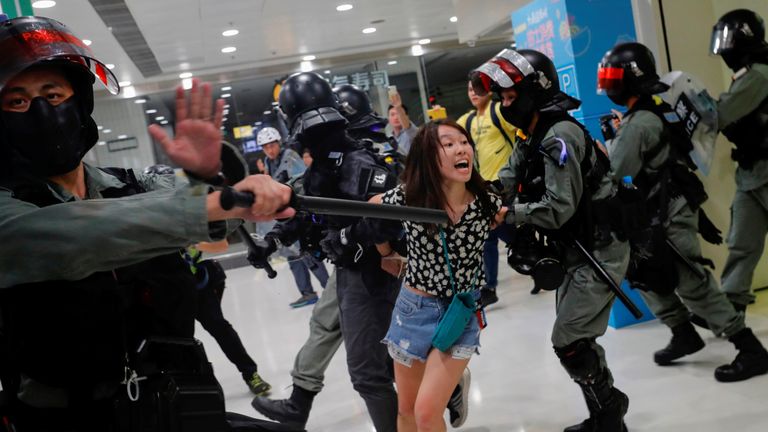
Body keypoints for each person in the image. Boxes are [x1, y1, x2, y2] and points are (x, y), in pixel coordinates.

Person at [0, 16, 292, 431]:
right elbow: (71, 237)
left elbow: (215, 223)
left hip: (170, 402)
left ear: (80, 103)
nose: (43, 112)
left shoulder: (132, 185)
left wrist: (215, 181)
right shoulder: (10, 212)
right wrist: (206, 204)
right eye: (18, 101)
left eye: (54, 94)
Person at [472, 48, 631, 431]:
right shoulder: (534, 134)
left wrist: (509, 215)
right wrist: (476, 195)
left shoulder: (559, 135)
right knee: (577, 337)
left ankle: (610, 407)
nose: (505, 105)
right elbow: (506, 179)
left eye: (510, 97)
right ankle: (605, 416)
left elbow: (559, 207)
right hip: (577, 248)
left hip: (600, 249)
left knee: (569, 339)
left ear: (534, 91)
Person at [598, 41, 768, 383]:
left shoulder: (639, 123)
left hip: (667, 211)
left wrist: (609, 144)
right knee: (646, 275)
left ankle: (750, 349)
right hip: (657, 211)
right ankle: (683, 333)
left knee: (692, 282)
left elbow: (616, 169)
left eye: (613, 76)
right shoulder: (653, 110)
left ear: (630, 79)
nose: (609, 83)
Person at [251, 72, 401, 432]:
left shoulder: (356, 160)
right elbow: (312, 210)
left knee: (373, 372)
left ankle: (447, 390)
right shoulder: (327, 162)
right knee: (380, 366)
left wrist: (347, 238)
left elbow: (386, 221)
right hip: (354, 274)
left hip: (376, 273)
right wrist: (273, 240)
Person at [372, 119, 501, 431]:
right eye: (449, 143)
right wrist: (386, 253)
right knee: (407, 412)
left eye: (464, 141)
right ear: (428, 157)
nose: (461, 148)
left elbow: (502, 221)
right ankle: (448, 381)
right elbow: (373, 207)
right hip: (412, 312)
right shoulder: (411, 198)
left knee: (427, 414)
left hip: (460, 314)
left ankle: (449, 381)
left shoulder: (487, 202)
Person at [711, 9, 768, 314]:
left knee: (743, 243)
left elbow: (721, 114)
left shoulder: (758, 75)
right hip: (751, 175)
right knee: (742, 242)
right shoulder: (752, 73)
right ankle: (731, 311)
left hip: (765, 171)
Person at [457, 79, 519, 304]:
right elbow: (446, 131)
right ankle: (490, 287)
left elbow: (523, 133)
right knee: (489, 237)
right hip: (486, 188)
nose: (473, 93)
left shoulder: (499, 111)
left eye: (477, 89)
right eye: (470, 89)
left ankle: (535, 265)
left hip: (507, 186)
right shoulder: (469, 119)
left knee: (508, 234)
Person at [186, 242, 273, 395]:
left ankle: (250, 374)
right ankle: (187, 385)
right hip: (168, 288)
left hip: (199, 284)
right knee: (179, 338)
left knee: (220, 328)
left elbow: (221, 244)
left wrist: (192, 243)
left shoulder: (190, 222)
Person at [258, 126, 328, 308]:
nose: (269, 149)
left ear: (278, 143)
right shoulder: (268, 162)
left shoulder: (289, 157)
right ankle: (307, 293)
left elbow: (300, 184)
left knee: (308, 255)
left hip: (298, 216)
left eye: (272, 145)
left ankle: (330, 290)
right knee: (292, 258)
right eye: (265, 147)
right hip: (283, 218)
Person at [387, 87, 418, 157]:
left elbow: (407, 127)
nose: (396, 117)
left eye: (398, 114)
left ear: (407, 117)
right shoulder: (389, 139)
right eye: (392, 114)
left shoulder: (412, 133)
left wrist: (398, 107)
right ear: (388, 118)